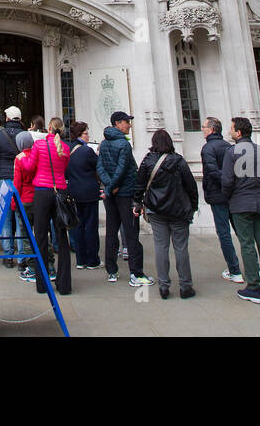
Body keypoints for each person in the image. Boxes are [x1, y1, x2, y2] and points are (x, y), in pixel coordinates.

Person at [135, 129, 199, 299]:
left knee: (161, 247)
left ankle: (164, 285)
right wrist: (193, 206)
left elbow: (139, 184)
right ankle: (185, 286)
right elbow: (191, 186)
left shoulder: (148, 161)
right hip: (178, 211)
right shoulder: (179, 161)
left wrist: (138, 203)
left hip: (156, 210)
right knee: (181, 248)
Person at [221, 116, 260, 303]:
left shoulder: (232, 152)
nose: (229, 131)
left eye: (231, 128)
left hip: (240, 204)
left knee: (247, 244)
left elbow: (227, 181)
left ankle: (253, 287)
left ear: (238, 133)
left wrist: (230, 197)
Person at [19, 117, 73, 296]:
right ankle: (64, 284)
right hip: (60, 193)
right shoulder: (65, 148)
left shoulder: (40, 145)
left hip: (42, 192)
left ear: (48, 128)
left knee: (41, 236)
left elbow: (28, 167)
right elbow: (63, 169)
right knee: (61, 236)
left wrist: (21, 157)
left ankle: (42, 283)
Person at [98, 111, 152, 286]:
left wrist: (108, 187)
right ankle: (136, 273)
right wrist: (113, 186)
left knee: (112, 231)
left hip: (111, 193)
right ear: (118, 123)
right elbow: (122, 169)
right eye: (126, 122)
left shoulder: (104, 143)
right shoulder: (123, 144)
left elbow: (100, 168)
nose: (129, 125)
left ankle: (112, 270)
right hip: (124, 193)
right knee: (131, 233)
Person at [200, 116, 244, 283]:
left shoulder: (208, 148)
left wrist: (225, 185)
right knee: (241, 232)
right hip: (232, 195)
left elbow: (212, 171)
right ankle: (253, 266)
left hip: (219, 195)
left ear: (211, 129)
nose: (202, 129)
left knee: (224, 232)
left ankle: (235, 270)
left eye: (204, 127)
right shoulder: (229, 146)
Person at [0, 107, 27, 267]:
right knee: (20, 216)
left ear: (7, 118)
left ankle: (8, 255)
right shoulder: (25, 134)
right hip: (20, 177)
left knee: (4, 216)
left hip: (3, 178)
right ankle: (21, 257)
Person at [65, 121, 102, 269]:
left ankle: (81, 259)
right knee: (91, 226)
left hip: (74, 191)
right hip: (88, 192)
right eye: (86, 133)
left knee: (78, 226)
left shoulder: (68, 149)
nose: (88, 136)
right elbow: (98, 165)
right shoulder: (87, 151)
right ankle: (92, 259)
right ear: (80, 134)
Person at [12, 129, 40, 282]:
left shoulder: (20, 158)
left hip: (24, 200)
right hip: (39, 198)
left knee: (25, 234)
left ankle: (31, 266)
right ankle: (48, 265)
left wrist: (13, 203)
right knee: (42, 233)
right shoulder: (38, 156)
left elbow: (17, 183)